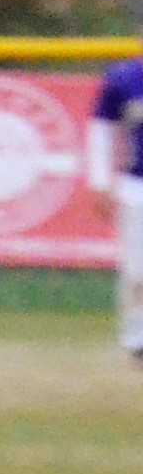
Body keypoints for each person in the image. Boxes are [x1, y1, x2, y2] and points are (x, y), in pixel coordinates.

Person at [96, 40, 143, 368]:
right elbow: (100, 127)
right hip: (138, 185)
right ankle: (137, 339)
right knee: (137, 270)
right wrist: (100, 182)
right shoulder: (124, 78)